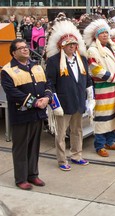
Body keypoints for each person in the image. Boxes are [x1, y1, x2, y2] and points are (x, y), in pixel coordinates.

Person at [1, 38, 53, 190]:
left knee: (34, 146)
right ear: (14, 53)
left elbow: (48, 84)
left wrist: (47, 98)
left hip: (37, 114)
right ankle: (21, 178)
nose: (25, 49)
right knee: (21, 148)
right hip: (21, 115)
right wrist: (34, 102)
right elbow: (12, 92)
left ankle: (33, 175)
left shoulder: (36, 66)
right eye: (21, 48)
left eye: (26, 47)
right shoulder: (7, 70)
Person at [46, 20, 93, 171]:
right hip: (63, 102)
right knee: (60, 134)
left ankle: (76, 155)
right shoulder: (53, 61)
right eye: (69, 45)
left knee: (77, 130)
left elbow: (88, 80)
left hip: (79, 101)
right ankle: (61, 160)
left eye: (74, 44)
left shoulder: (82, 60)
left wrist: (91, 99)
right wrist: (55, 104)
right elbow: (50, 83)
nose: (72, 47)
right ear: (62, 46)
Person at [83, 18, 115, 157]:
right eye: (102, 33)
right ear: (96, 36)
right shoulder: (92, 50)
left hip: (114, 87)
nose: (105, 35)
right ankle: (99, 145)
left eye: (106, 33)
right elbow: (96, 70)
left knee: (112, 116)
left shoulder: (113, 48)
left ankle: (109, 141)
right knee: (101, 117)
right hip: (102, 88)